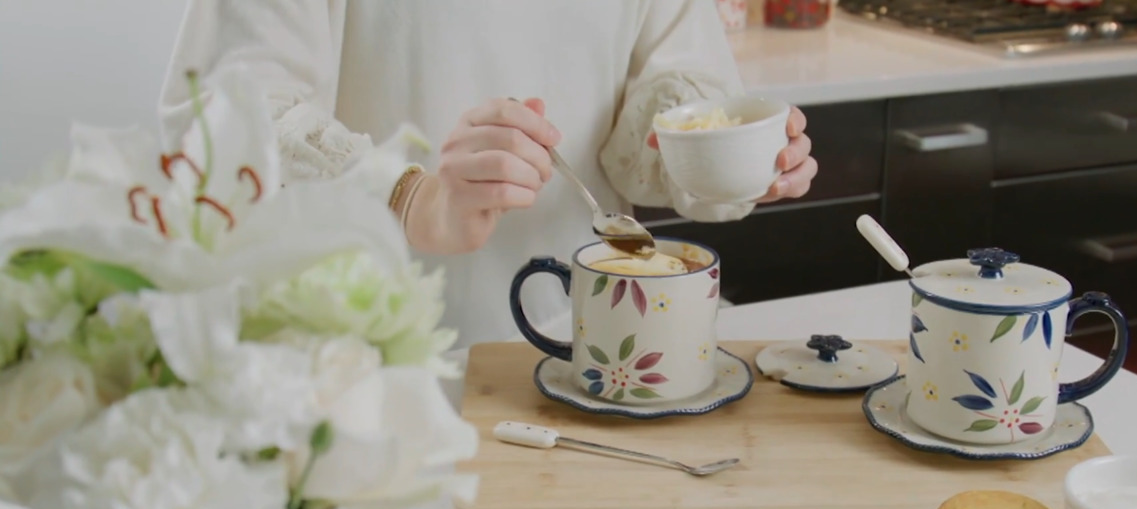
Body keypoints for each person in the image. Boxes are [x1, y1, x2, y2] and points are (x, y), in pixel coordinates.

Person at [159, 1, 817, 349]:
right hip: (357, 375)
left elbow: (656, 105)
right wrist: (404, 196)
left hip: (582, 348)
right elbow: (217, 124)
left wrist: (716, 155)